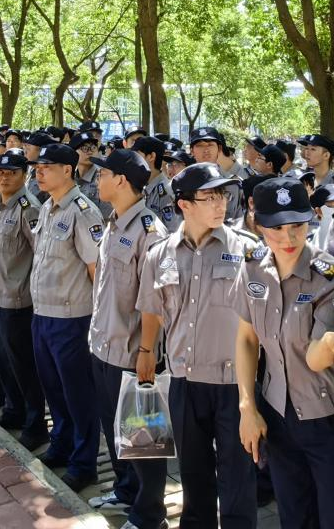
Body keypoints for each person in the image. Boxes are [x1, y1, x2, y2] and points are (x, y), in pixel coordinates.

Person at [137, 162, 260, 529]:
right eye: (209, 197)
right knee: (193, 473)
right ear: (184, 204)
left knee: (238, 476)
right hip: (184, 380)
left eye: (222, 195)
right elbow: (152, 309)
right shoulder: (160, 254)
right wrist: (146, 351)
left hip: (234, 383)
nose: (220, 204)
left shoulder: (248, 250)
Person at [234, 177, 334, 529]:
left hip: (327, 416)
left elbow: (320, 357)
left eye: (297, 226)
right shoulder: (252, 267)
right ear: (258, 224)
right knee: (293, 514)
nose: (288, 238)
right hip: (277, 413)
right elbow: (246, 339)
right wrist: (247, 406)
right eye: (276, 228)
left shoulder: (329, 276)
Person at [85, 149, 171, 529]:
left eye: (103, 174)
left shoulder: (149, 231)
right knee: (114, 429)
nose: (97, 180)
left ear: (121, 180)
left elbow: (155, 299)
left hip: (135, 353)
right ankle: (125, 492)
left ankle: (150, 515)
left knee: (144, 439)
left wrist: (148, 350)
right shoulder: (113, 222)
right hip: (104, 345)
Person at [29, 142, 105, 490]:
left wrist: (98, 319)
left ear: (67, 170)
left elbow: (95, 269)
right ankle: (61, 444)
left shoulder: (83, 211)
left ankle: (84, 462)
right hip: (43, 313)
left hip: (72, 317)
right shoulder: (48, 207)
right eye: (37, 168)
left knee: (78, 393)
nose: (39, 173)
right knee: (53, 388)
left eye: (46, 168)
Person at [0, 149, 49, 449]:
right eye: (0, 173)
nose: (3, 177)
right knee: (3, 359)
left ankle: (35, 425)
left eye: (11, 173)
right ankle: (13, 410)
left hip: (19, 301)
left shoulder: (28, 208)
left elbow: (40, 254)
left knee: (23, 365)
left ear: (25, 175)